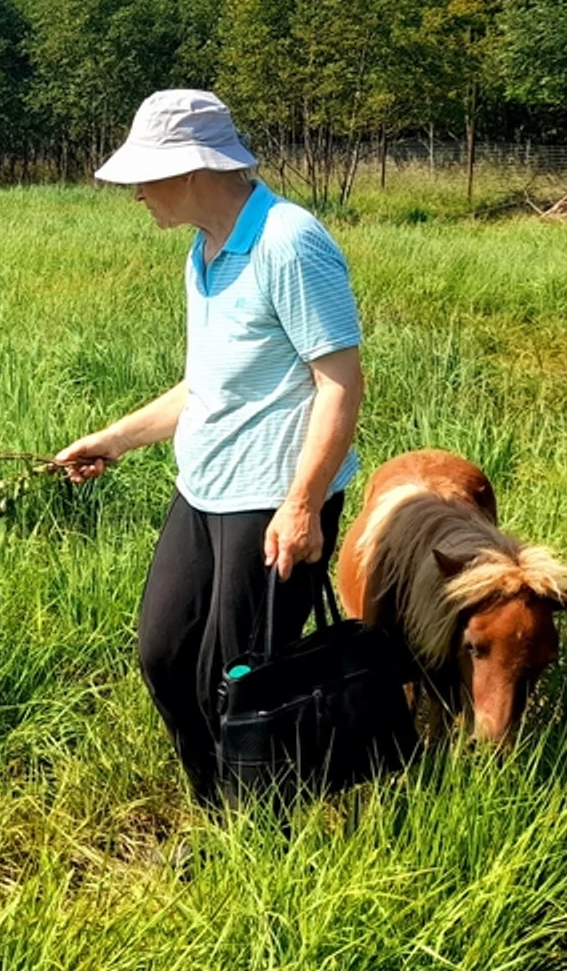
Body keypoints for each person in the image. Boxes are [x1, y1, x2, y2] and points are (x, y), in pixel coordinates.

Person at [55, 89, 364, 808]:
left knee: (239, 680)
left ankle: (253, 829)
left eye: (144, 176)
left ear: (193, 168)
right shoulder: (206, 250)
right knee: (163, 653)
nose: (136, 194)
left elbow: (341, 384)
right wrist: (114, 439)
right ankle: (214, 804)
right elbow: (205, 384)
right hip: (204, 489)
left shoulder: (289, 242)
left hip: (271, 501)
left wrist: (302, 505)